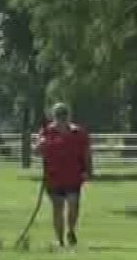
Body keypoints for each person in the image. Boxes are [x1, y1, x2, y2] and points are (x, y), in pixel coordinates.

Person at [35, 102, 93, 248]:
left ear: (68, 115)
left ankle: (71, 231)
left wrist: (88, 170)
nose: (61, 117)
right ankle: (60, 240)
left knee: (73, 205)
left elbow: (86, 153)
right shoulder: (47, 132)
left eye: (64, 114)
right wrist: (40, 146)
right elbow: (37, 151)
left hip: (73, 175)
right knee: (58, 207)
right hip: (54, 176)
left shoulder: (78, 132)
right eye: (58, 114)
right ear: (53, 116)